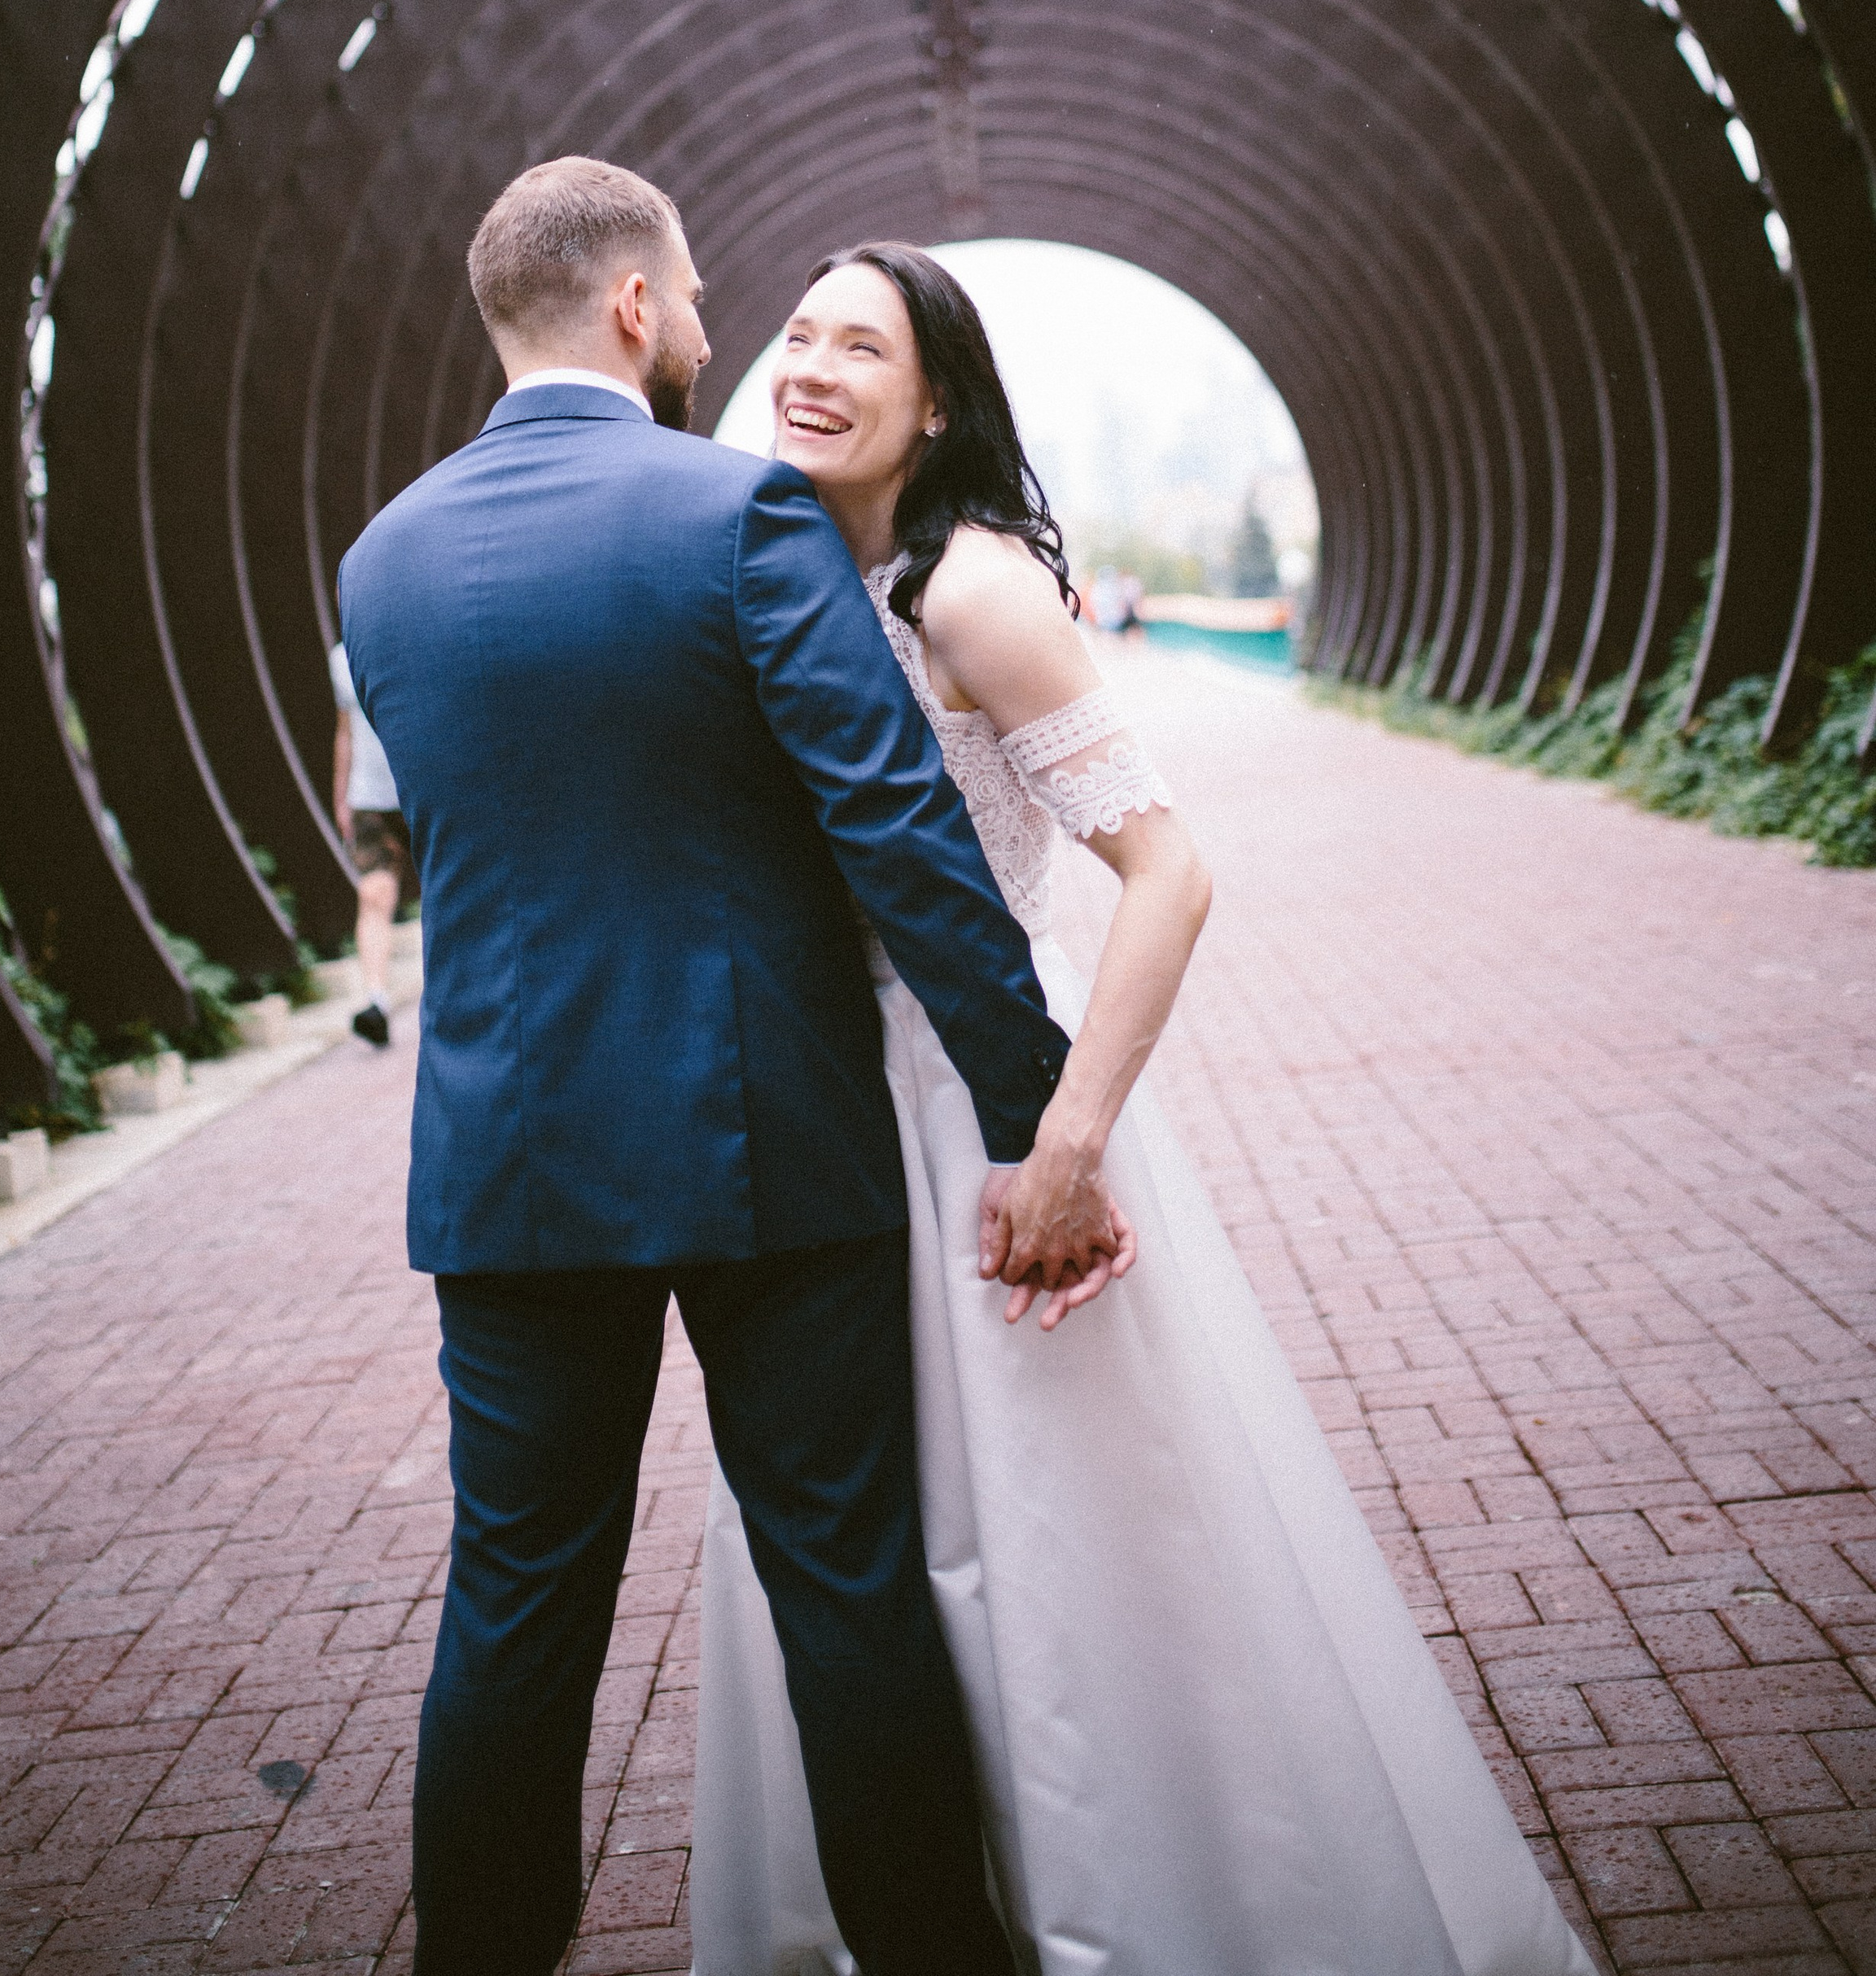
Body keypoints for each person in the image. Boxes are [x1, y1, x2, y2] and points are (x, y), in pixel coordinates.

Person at [690, 244, 1594, 1976]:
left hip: (987, 1112)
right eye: (795, 333)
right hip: (818, 1112)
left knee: (1059, 1531)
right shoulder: (777, 558)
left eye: (858, 345)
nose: (809, 365)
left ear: (934, 399)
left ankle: (1154, 1905)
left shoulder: (969, 589)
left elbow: (1166, 876)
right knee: (862, 1540)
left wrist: (1065, 1142)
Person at [338, 158, 1117, 1976]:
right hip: (764, 1139)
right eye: (696, 298)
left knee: (514, 1616)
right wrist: (1038, 1120)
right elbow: (898, 835)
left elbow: (472, 853)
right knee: (843, 1587)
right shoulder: (736, 518)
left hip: (510, 1161)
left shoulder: (386, 559)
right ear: (630, 308)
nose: (711, 333)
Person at [329, 637, 409, 1047]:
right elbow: (345, 730)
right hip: (369, 798)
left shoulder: (415, 637)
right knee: (374, 896)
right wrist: (341, 796)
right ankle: (376, 1001)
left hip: (422, 790)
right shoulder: (340, 659)